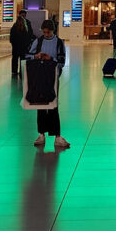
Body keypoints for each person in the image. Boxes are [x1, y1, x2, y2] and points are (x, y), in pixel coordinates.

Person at [27, 20, 69, 149]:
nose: (46, 34)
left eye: (48, 32)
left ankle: (57, 135)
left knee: (53, 104)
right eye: (44, 32)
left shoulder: (59, 42)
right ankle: (41, 134)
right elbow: (27, 55)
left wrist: (51, 59)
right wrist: (36, 56)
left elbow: (62, 60)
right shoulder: (38, 41)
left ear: (53, 31)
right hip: (40, 76)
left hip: (53, 76)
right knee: (40, 104)